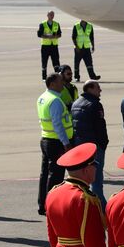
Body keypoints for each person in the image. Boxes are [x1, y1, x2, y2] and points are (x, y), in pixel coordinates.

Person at [37, 73, 74, 216]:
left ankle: (42, 204)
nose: (63, 84)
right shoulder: (55, 101)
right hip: (56, 142)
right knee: (56, 176)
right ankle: (51, 205)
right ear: (52, 83)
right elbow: (58, 124)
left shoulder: (42, 98)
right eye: (60, 82)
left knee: (45, 174)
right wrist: (66, 143)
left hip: (46, 139)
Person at [69, 80, 109, 204]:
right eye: (98, 87)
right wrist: (103, 145)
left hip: (80, 147)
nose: (100, 90)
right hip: (94, 148)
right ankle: (101, 210)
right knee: (97, 182)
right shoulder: (95, 104)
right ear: (90, 89)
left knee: (83, 180)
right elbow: (100, 128)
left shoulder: (75, 104)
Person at [37, 9, 62, 80]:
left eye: (53, 15)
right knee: (44, 61)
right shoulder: (43, 24)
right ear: (47, 15)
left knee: (56, 61)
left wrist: (55, 36)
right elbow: (39, 34)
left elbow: (60, 34)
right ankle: (44, 77)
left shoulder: (56, 24)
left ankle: (58, 76)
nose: (52, 16)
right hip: (45, 46)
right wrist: (47, 37)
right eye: (50, 15)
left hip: (54, 46)